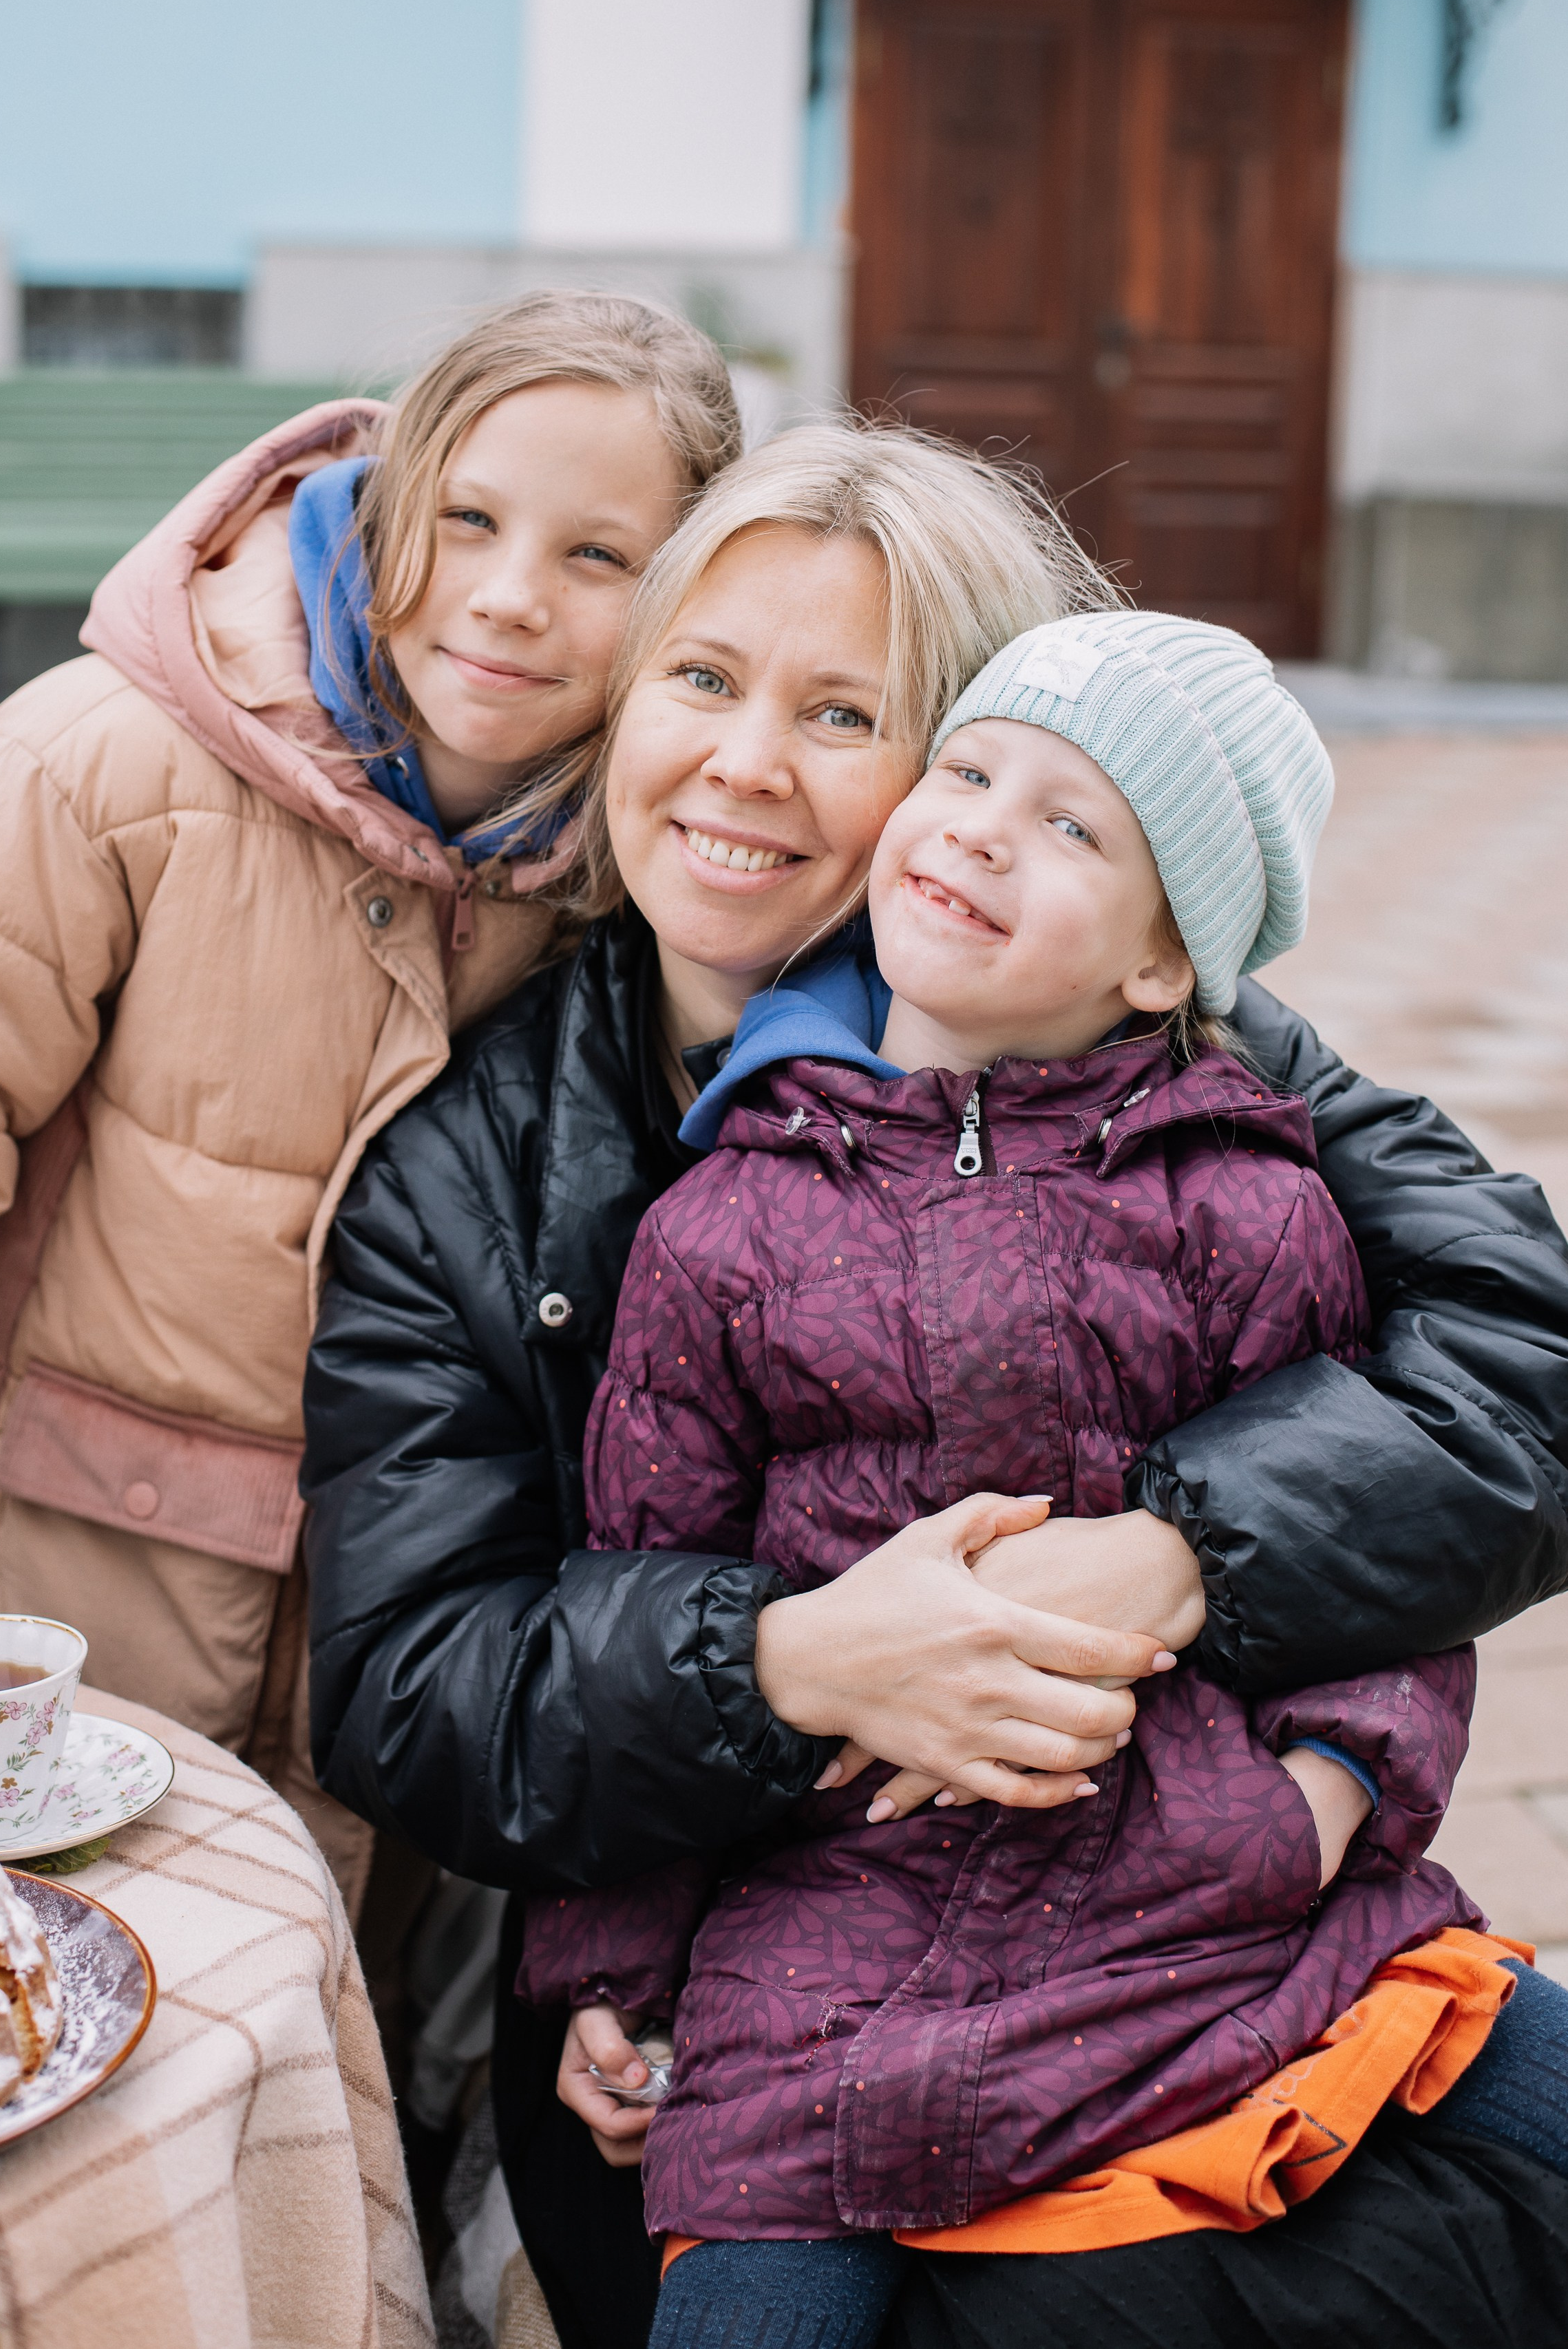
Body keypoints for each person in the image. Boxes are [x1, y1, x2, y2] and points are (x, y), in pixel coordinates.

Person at [300, 422, 1568, 2348]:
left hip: (1188, 1896)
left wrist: (1199, 1581)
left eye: (844, 714)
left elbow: (1510, 1360)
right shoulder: (502, 1165)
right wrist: (785, 1664)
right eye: (702, 679)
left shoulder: (1197, 1086)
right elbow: (415, 1682)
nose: (746, 762)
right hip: (790, 1955)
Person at [520, 606, 1503, 2343]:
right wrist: (617, 1962)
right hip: (836, 1935)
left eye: (1070, 825)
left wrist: (1327, 1791)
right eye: (967, 772)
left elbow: (1377, 1557)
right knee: (752, 2298)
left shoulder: (1244, 1201)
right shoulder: (721, 1222)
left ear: (1162, 963)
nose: (980, 827)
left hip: (1209, 1895)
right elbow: (642, 1594)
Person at [0, 288, 739, 1909]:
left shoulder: (644, 872)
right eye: (467, 518)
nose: (508, 596)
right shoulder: (102, 772)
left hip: (405, 1677)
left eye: (597, 555)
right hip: (64, 1629)